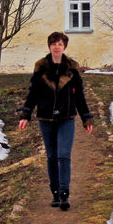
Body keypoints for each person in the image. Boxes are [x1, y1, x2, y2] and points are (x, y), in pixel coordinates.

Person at [18, 31, 94, 211]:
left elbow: (80, 97)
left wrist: (86, 118)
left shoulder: (72, 69)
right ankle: (55, 193)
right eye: (54, 44)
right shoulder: (41, 68)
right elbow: (33, 94)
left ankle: (64, 193)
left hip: (66, 117)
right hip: (46, 118)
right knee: (52, 156)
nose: (57, 47)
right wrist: (25, 115)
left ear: (64, 46)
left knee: (64, 155)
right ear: (49, 47)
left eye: (60, 44)